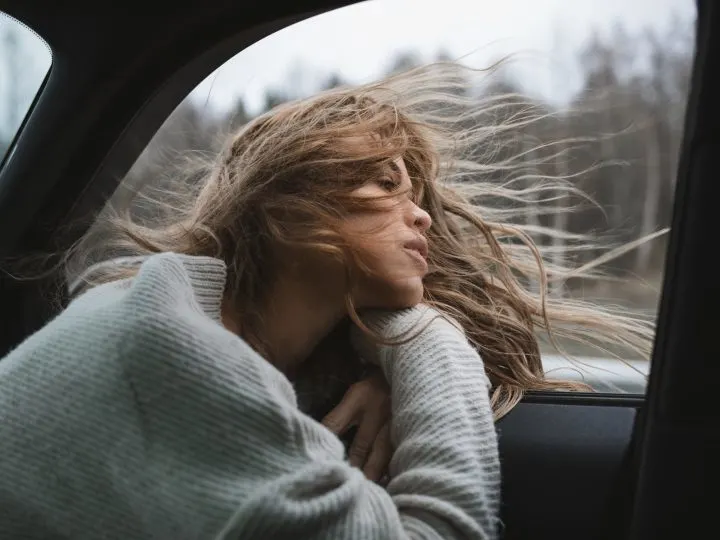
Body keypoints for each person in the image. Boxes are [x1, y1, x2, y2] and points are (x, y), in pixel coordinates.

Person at [0, 62, 653, 539]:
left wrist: (384, 370)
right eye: (386, 185)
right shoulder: (181, 359)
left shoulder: (179, 320)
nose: (422, 216)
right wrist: (421, 338)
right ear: (287, 209)